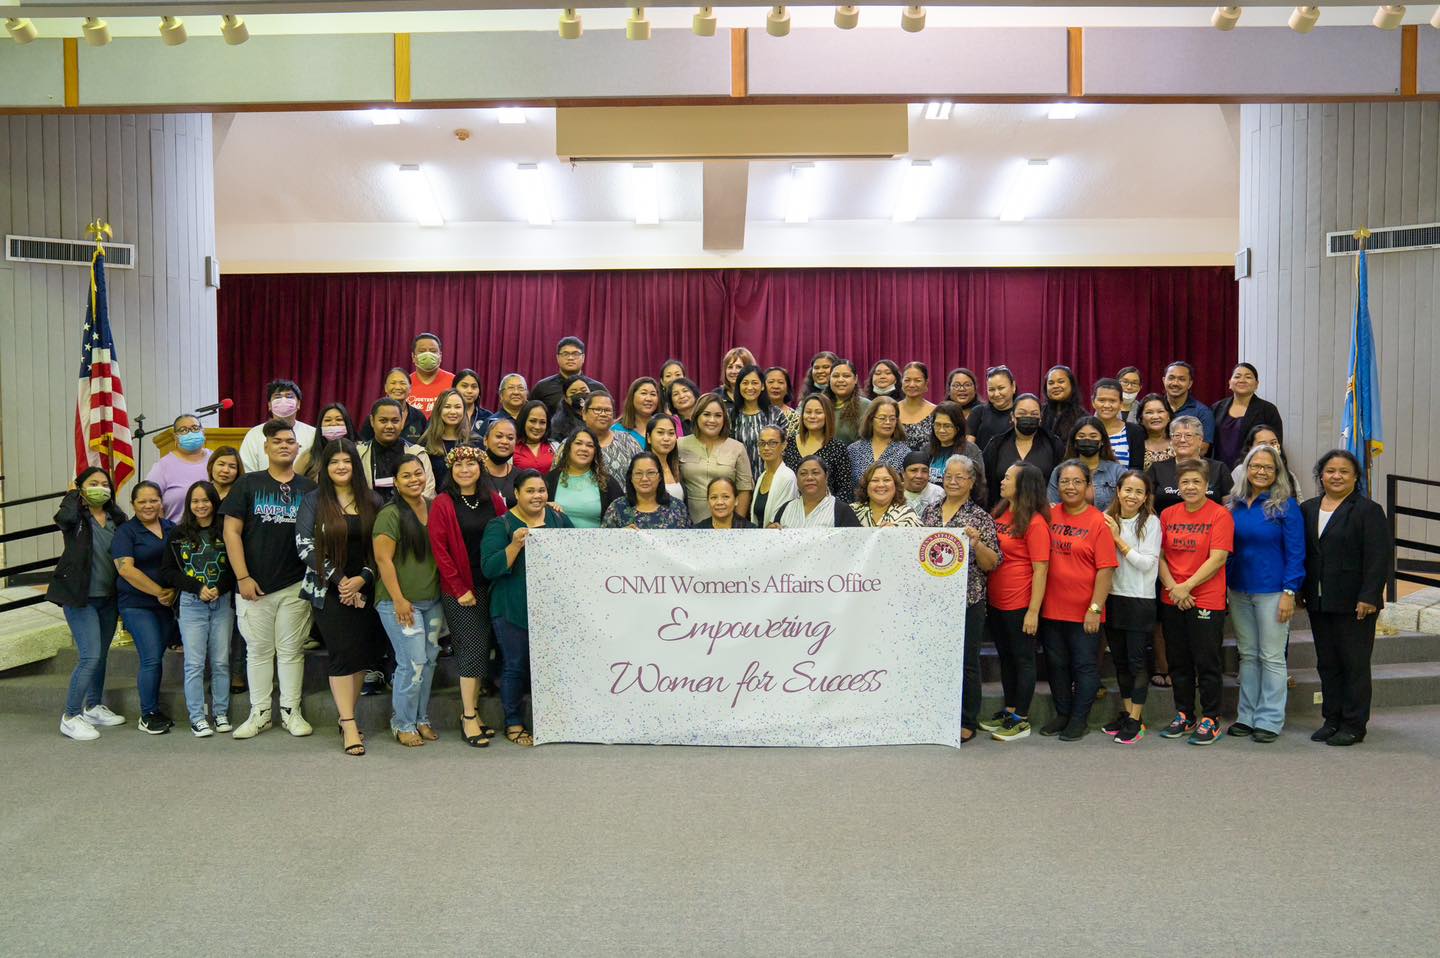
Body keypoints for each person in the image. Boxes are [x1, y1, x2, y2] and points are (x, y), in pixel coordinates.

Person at [220, 418, 318, 739]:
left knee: (291, 652)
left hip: (295, 584)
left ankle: (291, 712)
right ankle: (259, 713)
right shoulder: (247, 484)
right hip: (254, 586)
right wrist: (243, 576)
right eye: (277, 441)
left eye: (290, 441)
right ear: (265, 447)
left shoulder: (309, 489)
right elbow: (231, 532)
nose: (284, 445)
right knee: (259, 651)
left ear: (297, 447)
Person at [296, 439, 384, 757]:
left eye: (347, 461)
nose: (341, 466)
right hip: (328, 589)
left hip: (364, 588)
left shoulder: (372, 500)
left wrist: (361, 579)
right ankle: (348, 723)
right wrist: (341, 581)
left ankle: (346, 714)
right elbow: (305, 545)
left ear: (355, 466)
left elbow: (381, 548)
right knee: (342, 653)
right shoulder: (313, 500)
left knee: (360, 654)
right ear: (326, 467)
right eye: (335, 462)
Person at [1301, 450, 1392, 747]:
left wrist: (1369, 595)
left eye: (1344, 471)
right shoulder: (1308, 508)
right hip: (1319, 601)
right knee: (1327, 663)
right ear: (1321, 475)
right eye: (1330, 471)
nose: (1336, 476)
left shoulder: (1368, 510)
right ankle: (1332, 719)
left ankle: (1354, 724)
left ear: (1356, 477)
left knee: (1354, 663)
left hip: (1356, 603)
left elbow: (1379, 558)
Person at [481, 469, 575, 746]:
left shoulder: (558, 519)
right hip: (512, 606)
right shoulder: (501, 525)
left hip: (551, 607)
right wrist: (514, 546)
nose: (537, 496)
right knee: (515, 665)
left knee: (553, 666)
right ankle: (513, 722)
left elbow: (580, 552)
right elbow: (490, 568)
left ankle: (556, 721)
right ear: (517, 494)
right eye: (531, 491)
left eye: (542, 491)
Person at [1225, 445, 1305, 743]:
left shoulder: (1286, 506)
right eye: (1256, 466)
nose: (1261, 471)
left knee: (1271, 656)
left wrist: (1290, 591)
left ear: (1277, 473)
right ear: (1246, 468)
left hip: (1273, 591)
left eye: (1268, 468)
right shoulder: (1233, 505)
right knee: (1247, 655)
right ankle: (1247, 715)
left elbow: (1296, 553)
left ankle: (1270, 719)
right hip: (1238, 589)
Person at [920, 455, 1001, 742]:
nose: (953, 482)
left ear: (971, 482)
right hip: (932, 600)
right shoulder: (929, 512)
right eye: (949, 476)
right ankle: (934, 714)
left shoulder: (980, 517)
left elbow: (992, 563)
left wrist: (976, 543)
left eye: (960, 477)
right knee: (933, 659)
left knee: (967, 662)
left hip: (968, 599)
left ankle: (967, 720)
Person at [429, 445, 505, 749]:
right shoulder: (443, 503)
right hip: (460, 590)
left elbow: (508, 529)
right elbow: (441, 551)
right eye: (458, 465)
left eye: (470, 465)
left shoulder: (494, 500)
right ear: (450, 470)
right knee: (472, 648)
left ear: (480, 468)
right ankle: (469, 715)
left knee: (483, 648)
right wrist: (460, 589)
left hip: (491, 585)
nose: (464, 470)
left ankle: (472, 712)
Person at [1036, 461, 1119, 741]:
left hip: (1085, 610)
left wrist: (1095, 609)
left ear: (1088, 486)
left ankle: (1079, 719)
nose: (1070, 487)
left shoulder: (1099, 521)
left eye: (1077, 482)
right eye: (1065, 482)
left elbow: (1106, 569)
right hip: (1051, 607)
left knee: (1083, 666)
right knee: (1056, 664)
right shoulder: (1048, 514)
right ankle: (1062, 714)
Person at [1157, 458, 1235, 746]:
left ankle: (1211, 717)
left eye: (1196, 482)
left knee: (1207, 660)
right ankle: (1184, 714)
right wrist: (1174, 588)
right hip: (1173, 596)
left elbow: (1218, 558)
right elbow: (1161, 556)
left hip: (1205, 597)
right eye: (1185, 482)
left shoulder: (1220, 516)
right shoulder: (1168, 514)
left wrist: (1187, 586)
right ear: (1178, 486)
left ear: (1207, 486)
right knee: (1178, 661)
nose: (1190, 487)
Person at [49, 467, 129, 741]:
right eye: (93, 483)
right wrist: (74, 493)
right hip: (80, 598)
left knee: (102, 654)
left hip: (108, 598)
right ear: (81, 488)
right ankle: (70, 716)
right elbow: (63, 516)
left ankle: (93, 706)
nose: (101, 488)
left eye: (105, 484)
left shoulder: (117, 518)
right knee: (89, 656)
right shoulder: (74, 518)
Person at [370, 455, 443, 748]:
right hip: (398, 602)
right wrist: (399, 600)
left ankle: (421, 718)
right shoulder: (390, 514)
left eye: (418, 473)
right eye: (406, 476)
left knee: (429, 662)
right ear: (396, 482)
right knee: (412, 664)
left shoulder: (434, 506)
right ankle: (402, 722)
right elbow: (382, 559)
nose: (414, 480)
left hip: (431, 600)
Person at [980, 462, 1051, 743]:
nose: (1002, 480)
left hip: (1020, 603)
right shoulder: (1001, 512)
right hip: (997, 601)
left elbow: (1041, 569)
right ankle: (1010, 710)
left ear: (1023, 485)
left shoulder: (1035, 523)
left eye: (1008, 477)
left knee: (1022, 660)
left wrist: (1033, 611)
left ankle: (1021, 718)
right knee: (1006, 658)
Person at [162, 481, 235, 737]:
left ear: (215, 502)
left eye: (205, 500)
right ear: (188, 504)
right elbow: (168, 571)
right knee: (194, 664)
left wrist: (221, 587)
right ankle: (197, 717)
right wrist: (196, 587)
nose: (200, 505)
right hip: (191, 605)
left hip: (222, 603)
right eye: (195, 501)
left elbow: (236, 567)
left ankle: (221, 713)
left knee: (221, 662)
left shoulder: (227, 530)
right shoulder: (178, 533)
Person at [1101, 470, 1162, 745]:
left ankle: (1137, 720)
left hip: (1139, 600)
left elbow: (1147, 563)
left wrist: (1118, 540)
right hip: (1112, 597)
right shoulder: (1107, 518)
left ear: (1146, 496)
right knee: (1120, 661)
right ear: (1118, 491)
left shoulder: (1151, 522)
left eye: (1139, 492)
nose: (1132, 496)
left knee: (1137, 663)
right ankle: (1127, 713)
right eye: (1128, 490)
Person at [112, 481, 178, 735]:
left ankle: (155, 709)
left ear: (161, 502)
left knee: (157, 657)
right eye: (142, 502)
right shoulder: (126, 532)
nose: (149, 505)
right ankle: (147, 713)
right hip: (137, 604)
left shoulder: (171, 528)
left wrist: (172, 592)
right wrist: (159, 591)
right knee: (150, 658)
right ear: (133, 505)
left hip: (166, 605)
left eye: (153, 500)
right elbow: (125, 569)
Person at [677, 393, 754, 523]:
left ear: (724, 419)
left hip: (727, 523)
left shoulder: (737, 448)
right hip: (688, 522)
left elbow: (744, 489)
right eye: (706, 414)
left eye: (718, 415)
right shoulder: (680, 444)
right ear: (696, 416)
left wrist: (736, 524)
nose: (712, 420)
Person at [206, 446, 247, 693]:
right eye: (221, 464)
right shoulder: (201, 492)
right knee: (212, 625)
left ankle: (238, 673)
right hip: (207, 566)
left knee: (238, 626)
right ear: (211, 465)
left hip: (236, 565)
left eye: (232, 466)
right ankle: (215, 674)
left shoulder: (242, 493)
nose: (226, 470)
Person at [981, 393, 1063, 507]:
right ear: (1012, 417)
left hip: (1042, 512)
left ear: (1040, 418)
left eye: (1034, 414)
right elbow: (985, 482)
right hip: (1002, 512)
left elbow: (1061, 480)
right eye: (1022, 413)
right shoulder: (996, 444)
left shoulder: (1054, 443)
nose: (1028, 417)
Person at [356, 398, 436, 504]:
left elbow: (427, 492)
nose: (389, 426)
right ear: (372, 421)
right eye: (383, 421)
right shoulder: (359, 454)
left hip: (410, 516)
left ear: (402, 422)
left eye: (395, 421)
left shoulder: (418, 454)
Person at [1147, 415, 1232, 513]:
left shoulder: (1219, 468)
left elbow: (1229, 508)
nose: (1182, 440)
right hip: (1166, 526)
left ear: (1200, 440)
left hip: (1209, 526)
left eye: (1188, 435)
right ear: (1171, 440)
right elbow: (1149, 510)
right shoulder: (1157, 469)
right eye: (1177, 435)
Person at [1210, 362, 1284, 468]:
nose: (1242, 380)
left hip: (1253, 469)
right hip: (1220, 468)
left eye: (1248, 377)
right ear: (1230, 383)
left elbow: (1276, 444)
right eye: (1237, 376)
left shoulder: (1268, 410)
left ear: (1256, 384)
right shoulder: (1217, 408)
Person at [546, 428, 624, 529]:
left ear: (595, 452)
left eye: (590, 445)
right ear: (569, 447)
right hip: (556, 542)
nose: (584, 448)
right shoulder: (551, 479)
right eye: (578, 443)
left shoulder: (607, 482)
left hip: (598, 543)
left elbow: (622, 516)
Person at [1047, 417, 1126, 511]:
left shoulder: (1117, 471)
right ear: (1075, 441)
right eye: (1081, 436)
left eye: (1093, 436)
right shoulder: (1060, 471)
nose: (1087, 440)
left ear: (1102, 441)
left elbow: (1123, 506)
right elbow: (1053, 505)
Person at [145, 413, 211, 522]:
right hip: (176, 533)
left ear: (203, 432)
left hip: (215, 531)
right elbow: (148, 500)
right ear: (175, 437)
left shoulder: (216, 460)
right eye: (183, 430)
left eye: (195, 428)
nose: (190, 433)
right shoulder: (163, 466)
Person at [240, 379, 316, 473]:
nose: (283, 400)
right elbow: (247, 471)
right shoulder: (254, 434)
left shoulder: (313, 434)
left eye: (289, 396)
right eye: (277, 397)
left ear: (298, 404)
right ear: (269, 405)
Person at [603, 452, 692, 529]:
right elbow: (604, 541)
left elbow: (689, 542)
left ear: (660, 477)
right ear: (631, 478)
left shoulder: (677, 508)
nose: (644, 478)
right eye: (638, 473)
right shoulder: (617, 507)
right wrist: (620, 535)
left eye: (651, 473)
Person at [773, 456, 863, 528]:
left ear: (826, 476)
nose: (809, 478)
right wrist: (771, 532)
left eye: (815, 473)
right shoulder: (785, 508)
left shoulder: (842, 511)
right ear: (796, 478)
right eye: (803, 474)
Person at [846, 396, 911, 489]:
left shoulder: (904, 453)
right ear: (871, 419)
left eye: (892, 418)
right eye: (882, 418)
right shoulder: (853, 450)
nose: (888, 422)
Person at [729, 365, 785, 472]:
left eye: (754, 383)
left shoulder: (776, 414)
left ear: (763, 386)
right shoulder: (730, 416)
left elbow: (784, 448)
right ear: (739, 386)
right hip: (739, 478)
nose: (750, 387)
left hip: (772, 477)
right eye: (745, 383)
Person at [926, 402, 986, 495]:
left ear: (958, 427)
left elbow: (978, 485)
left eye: (947, 426)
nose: (941, 430)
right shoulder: (926, 449)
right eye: (937, 425)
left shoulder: (970, 450)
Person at [580, 391, 642, 481]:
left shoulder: (628, 441)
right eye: (597, 409)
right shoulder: (572, 444)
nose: (603, 414)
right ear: (584, 413)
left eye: (608, 410)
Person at [533, 336, 601, 418]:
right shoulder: (542, 387)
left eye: (575, 354)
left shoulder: (598, 388)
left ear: (583, 358)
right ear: (557, 358)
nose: (570, 358)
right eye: (565, 354)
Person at [1229, 424, 1302, 495]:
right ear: (1250, 448)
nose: (1269, 447)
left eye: (1273, 443)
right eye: (1263, 444)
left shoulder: (1289, 474)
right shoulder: (1240, 471)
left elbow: (1299, 502)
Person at [1092, 378, 1147, 470]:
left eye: (1112, 401)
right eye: (1101, 400)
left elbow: (1136, 470)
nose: (1106, 405)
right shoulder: (1083, 429)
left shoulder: (1135, 432)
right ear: (1093, 402)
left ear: (1121, 404)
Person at [359, 368, 427, 443]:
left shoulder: (419, 417)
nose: (398, 387)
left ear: (410, 388)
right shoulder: (374, 416)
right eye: (393, 383)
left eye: (402, 383)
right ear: (385, 388)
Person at [419, 388, 471, 480]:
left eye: (457, 407)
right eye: (447, 407)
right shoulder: (425, 442)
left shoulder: (474, 441)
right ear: (438, 410)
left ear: (464, 410)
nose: (453, 412)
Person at [752, 425, 798, 527]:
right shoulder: (761, 477)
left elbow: (781, 518)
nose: (766, 448)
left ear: (783, 445)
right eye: (762, 443)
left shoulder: (787, 477)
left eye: (772, 443)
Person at [298, 403, 358, 481]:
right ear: (320, 426)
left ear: (347, 424)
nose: (333, 423)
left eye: (339, 419)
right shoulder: (309, 456)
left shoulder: (359, 451)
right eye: (327, 420)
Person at [1161, 360, 1215, 446]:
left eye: (1181, 379)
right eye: (1171, 378)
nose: (1175, 383)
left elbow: (1203, 447)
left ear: (1190, 383)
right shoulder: (1155, 408)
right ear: (1164, 380)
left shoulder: (1202, 412)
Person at [852, 463, 921, 527]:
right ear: (866, 485)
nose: (881, 485)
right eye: (875, 480)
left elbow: (922, 539)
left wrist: (897, 533)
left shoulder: (909, 514)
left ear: (895, 485)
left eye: (886, 480)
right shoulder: (851, 511)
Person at [968, 365, 1017, 451]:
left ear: (1013, 386)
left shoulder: (1020, 413)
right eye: (991, 389)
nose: (996, 394)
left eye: (1001, 388)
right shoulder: (978, 412)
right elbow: (968, 448)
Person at [406, 332, 455, 416]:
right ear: (413, 357)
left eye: (433, 351)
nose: (428, 355)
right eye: (422, 351)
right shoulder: (404, 384)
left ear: (440, 356)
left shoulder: (454, 382)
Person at [825, 359, 870, 448]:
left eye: (846, 376)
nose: (840, 380)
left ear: (855, 379)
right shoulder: (822, 404)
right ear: (829, 379)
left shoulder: (867, 406)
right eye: (835, 376)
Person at [1041, 365, 1084, 448]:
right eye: (1051, 383)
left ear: (1071, 385)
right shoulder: (1039, 413)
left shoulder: (1082, 417)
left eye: (1061, 382)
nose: (1055, 386)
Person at [897, 362, 937, 450]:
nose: (911, 385)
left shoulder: (936, 411)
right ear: (901, 382)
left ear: (926, 384)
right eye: (907, 380)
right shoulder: (892, 410)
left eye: (917, 380)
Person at [646, 414, 686, 502]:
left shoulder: (677, 467)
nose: (666, 438)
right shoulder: (642, 468)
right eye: (660, 432)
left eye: (671, 433)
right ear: (649, 438)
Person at [512, 400, 557, 474]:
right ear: (523, 421)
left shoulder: (555, 447)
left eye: (542, 422)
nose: (537, 427)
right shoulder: (511, 447)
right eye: (532, 421)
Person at [617, 377, 662, 448]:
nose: (649, 399)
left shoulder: (665, 427)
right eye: (644, 393)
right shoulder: (616, 431)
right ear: (632, 397)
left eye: (653, 394)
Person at [452, 368, 494, 438]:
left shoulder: (488, 417)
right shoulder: (445, 414)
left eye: (474, 387)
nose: (469, 391)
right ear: (454, 388)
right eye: (464, 386)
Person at [1138, 393, 1175, 470]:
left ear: (1169, 416)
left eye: (1160, 411)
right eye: (1149, 412)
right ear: (1141, 419)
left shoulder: (1179, 443)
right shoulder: (1135, 446)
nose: (1155, 417)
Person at [901, 449, 944, 514]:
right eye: (913, 470)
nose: (919, 476)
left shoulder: (938, 493)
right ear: (903, 474)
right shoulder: (894, 493)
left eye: (924, 471)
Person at [764, 366, 798, 434]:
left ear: (787, 388)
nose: (776, 386)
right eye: (771, 382)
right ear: (762, 386)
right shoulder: (755, 413)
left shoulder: (795, 418)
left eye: (780, 382)